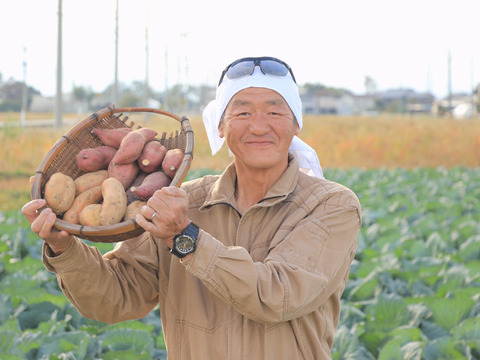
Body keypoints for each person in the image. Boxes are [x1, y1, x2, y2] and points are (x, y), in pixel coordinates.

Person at [22, 56, 361, 359]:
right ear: (220, 126)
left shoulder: (330, 206)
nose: (259, 126)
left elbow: (278, 295)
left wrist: (186, 238)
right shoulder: (185, 201)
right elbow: (115, 297)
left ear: (295, 123)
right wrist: (64, 248)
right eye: (242, 112)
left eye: (275, 111)